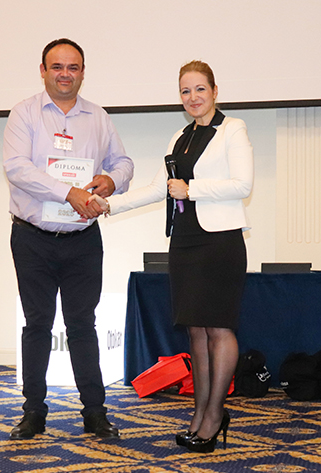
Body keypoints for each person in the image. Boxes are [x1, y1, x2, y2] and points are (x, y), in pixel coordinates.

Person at [89, 60, 253, 453]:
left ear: (215, 91)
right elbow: (160, 187)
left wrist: (191, 189)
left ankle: (215, 415)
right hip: (185, 241)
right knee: (195, 330)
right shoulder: (180, 137)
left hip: (220, 241)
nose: (193, 97)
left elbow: (242, 184)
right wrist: (111, 205)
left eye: (200, 89)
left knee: (219, 329)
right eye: (185, 91)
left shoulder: (232, 129)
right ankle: (200, 414)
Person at [3, 38, 133, 440]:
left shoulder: (98, 117)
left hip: (82, 241)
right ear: (43, 71)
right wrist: (68, 192)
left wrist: (112, 180)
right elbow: (16, 168)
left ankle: (94, 412)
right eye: (57, 67)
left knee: (82, 325)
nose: (65, 74)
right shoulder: (24, 113)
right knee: (37, 325)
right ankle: (33, 412)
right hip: (32, 239)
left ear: (82, 72)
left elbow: (123, 163)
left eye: (73, 67)